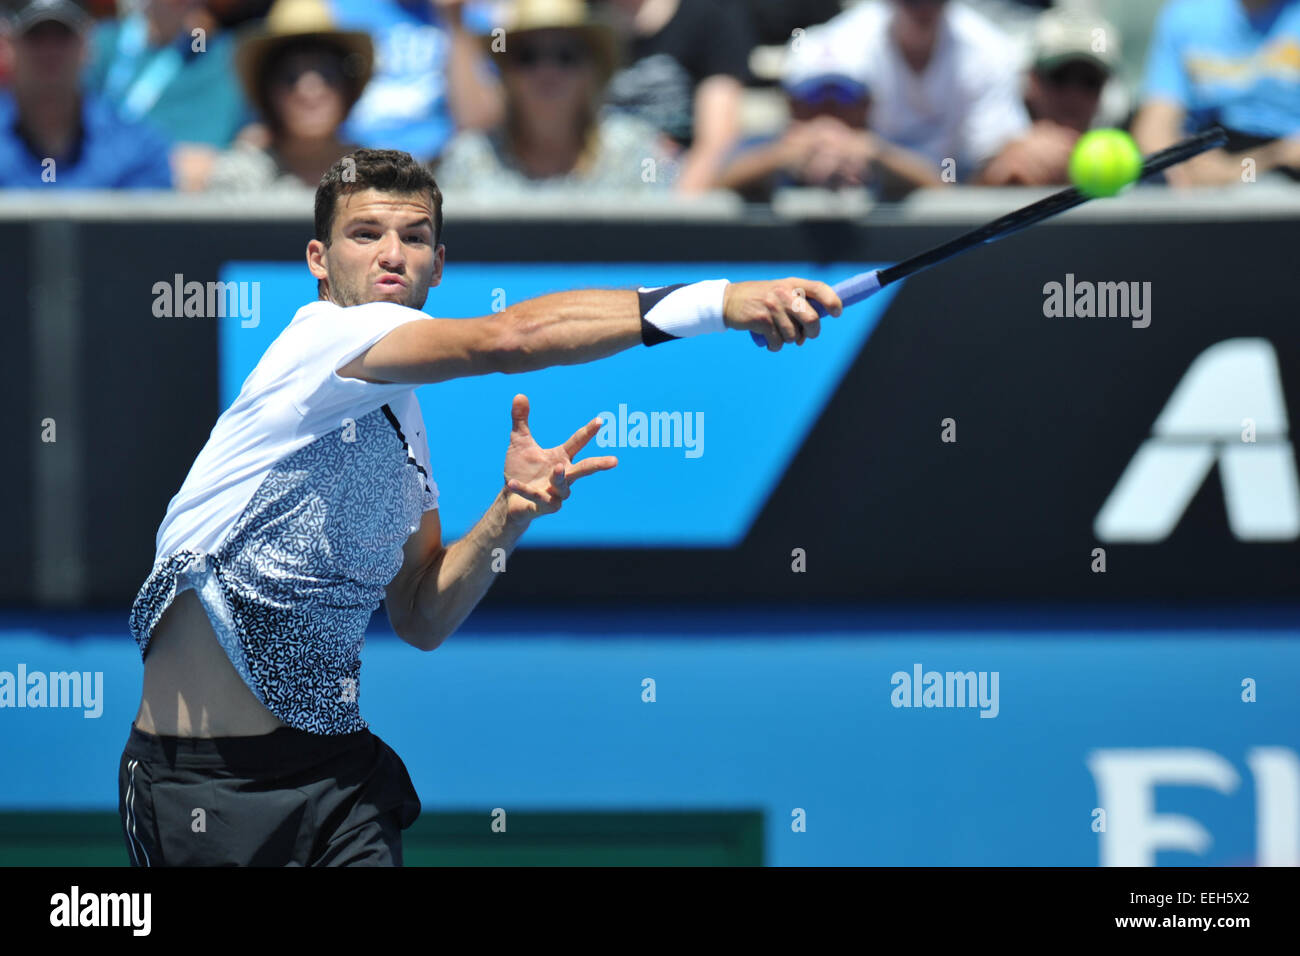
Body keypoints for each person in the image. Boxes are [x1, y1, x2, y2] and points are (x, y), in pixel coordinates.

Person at [119, 147, 840, 867]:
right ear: (319, 258)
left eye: (415, 237)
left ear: (440, 262)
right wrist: (722, 301)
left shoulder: (402, 425)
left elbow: (420, 614)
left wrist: (509, 513)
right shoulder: (320, 340)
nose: (392, 254)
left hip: (336, 784)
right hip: (200, 796)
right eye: (364, 234)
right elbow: (509, 337)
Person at [435, 0, 669, 195]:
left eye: (566, 56)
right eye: (528, 56)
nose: (547, 71)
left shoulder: (635, 152)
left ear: (592, 73)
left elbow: (663, 238)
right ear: (507, 75)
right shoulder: (471, 160)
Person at [798, 0, 1031, 185]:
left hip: (957, 187)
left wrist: (882, 155)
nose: (923, 6)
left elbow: (991, 168)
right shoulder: (837, 44)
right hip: (866, 190)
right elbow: (816, 142)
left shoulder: (989, 50)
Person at [718, 25, 941, 200]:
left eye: (844, 98)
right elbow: (709, 187)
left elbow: (946, 188)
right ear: (792, 105)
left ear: (866, 105)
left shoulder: (890, 143)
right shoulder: (763, 147)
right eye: (813, 98)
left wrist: (877, 155)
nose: (828, 113)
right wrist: (781, 157)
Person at [0, 0, 172, 189]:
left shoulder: (138, 149)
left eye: (63, 35)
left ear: (87, 45)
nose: (49, 51)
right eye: (35, 36)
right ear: (9, 47)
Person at [206, 0, 373, 193]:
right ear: (268, 92)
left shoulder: (378, 177)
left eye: (328, 74)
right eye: (290, 77)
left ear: (348, 88)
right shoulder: (238, 178)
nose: (310, 89)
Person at [1132, 0, 1300, 185]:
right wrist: (1181, 170)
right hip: (1206, 161)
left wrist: (1246, 166)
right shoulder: (1187, 15)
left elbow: (1291, 154)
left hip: (1284, 172)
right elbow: (1154, 128)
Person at [85, 0, 248, 190]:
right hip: (101, 195)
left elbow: (255, 139)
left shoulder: (231, 58)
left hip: (194, 204)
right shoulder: (100, 44)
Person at [601, 0, 755, 193]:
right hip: (592, 181)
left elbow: (717, 141)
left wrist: (675, 208)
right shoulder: (575, 20)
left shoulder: (708, 19)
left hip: (673, 182)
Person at [325, 0, 504, 163]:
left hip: (441, 169)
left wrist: (455, 22)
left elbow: (478, 121)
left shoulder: (478, 22)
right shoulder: (336, 10)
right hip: (355, 162)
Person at [977, 8, 1119, 187]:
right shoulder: (982, 146)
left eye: (1090, 82)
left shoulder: (1128, 169)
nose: (1073, 96)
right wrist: (993, 179)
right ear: (1031, 80)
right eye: (1060, 76)